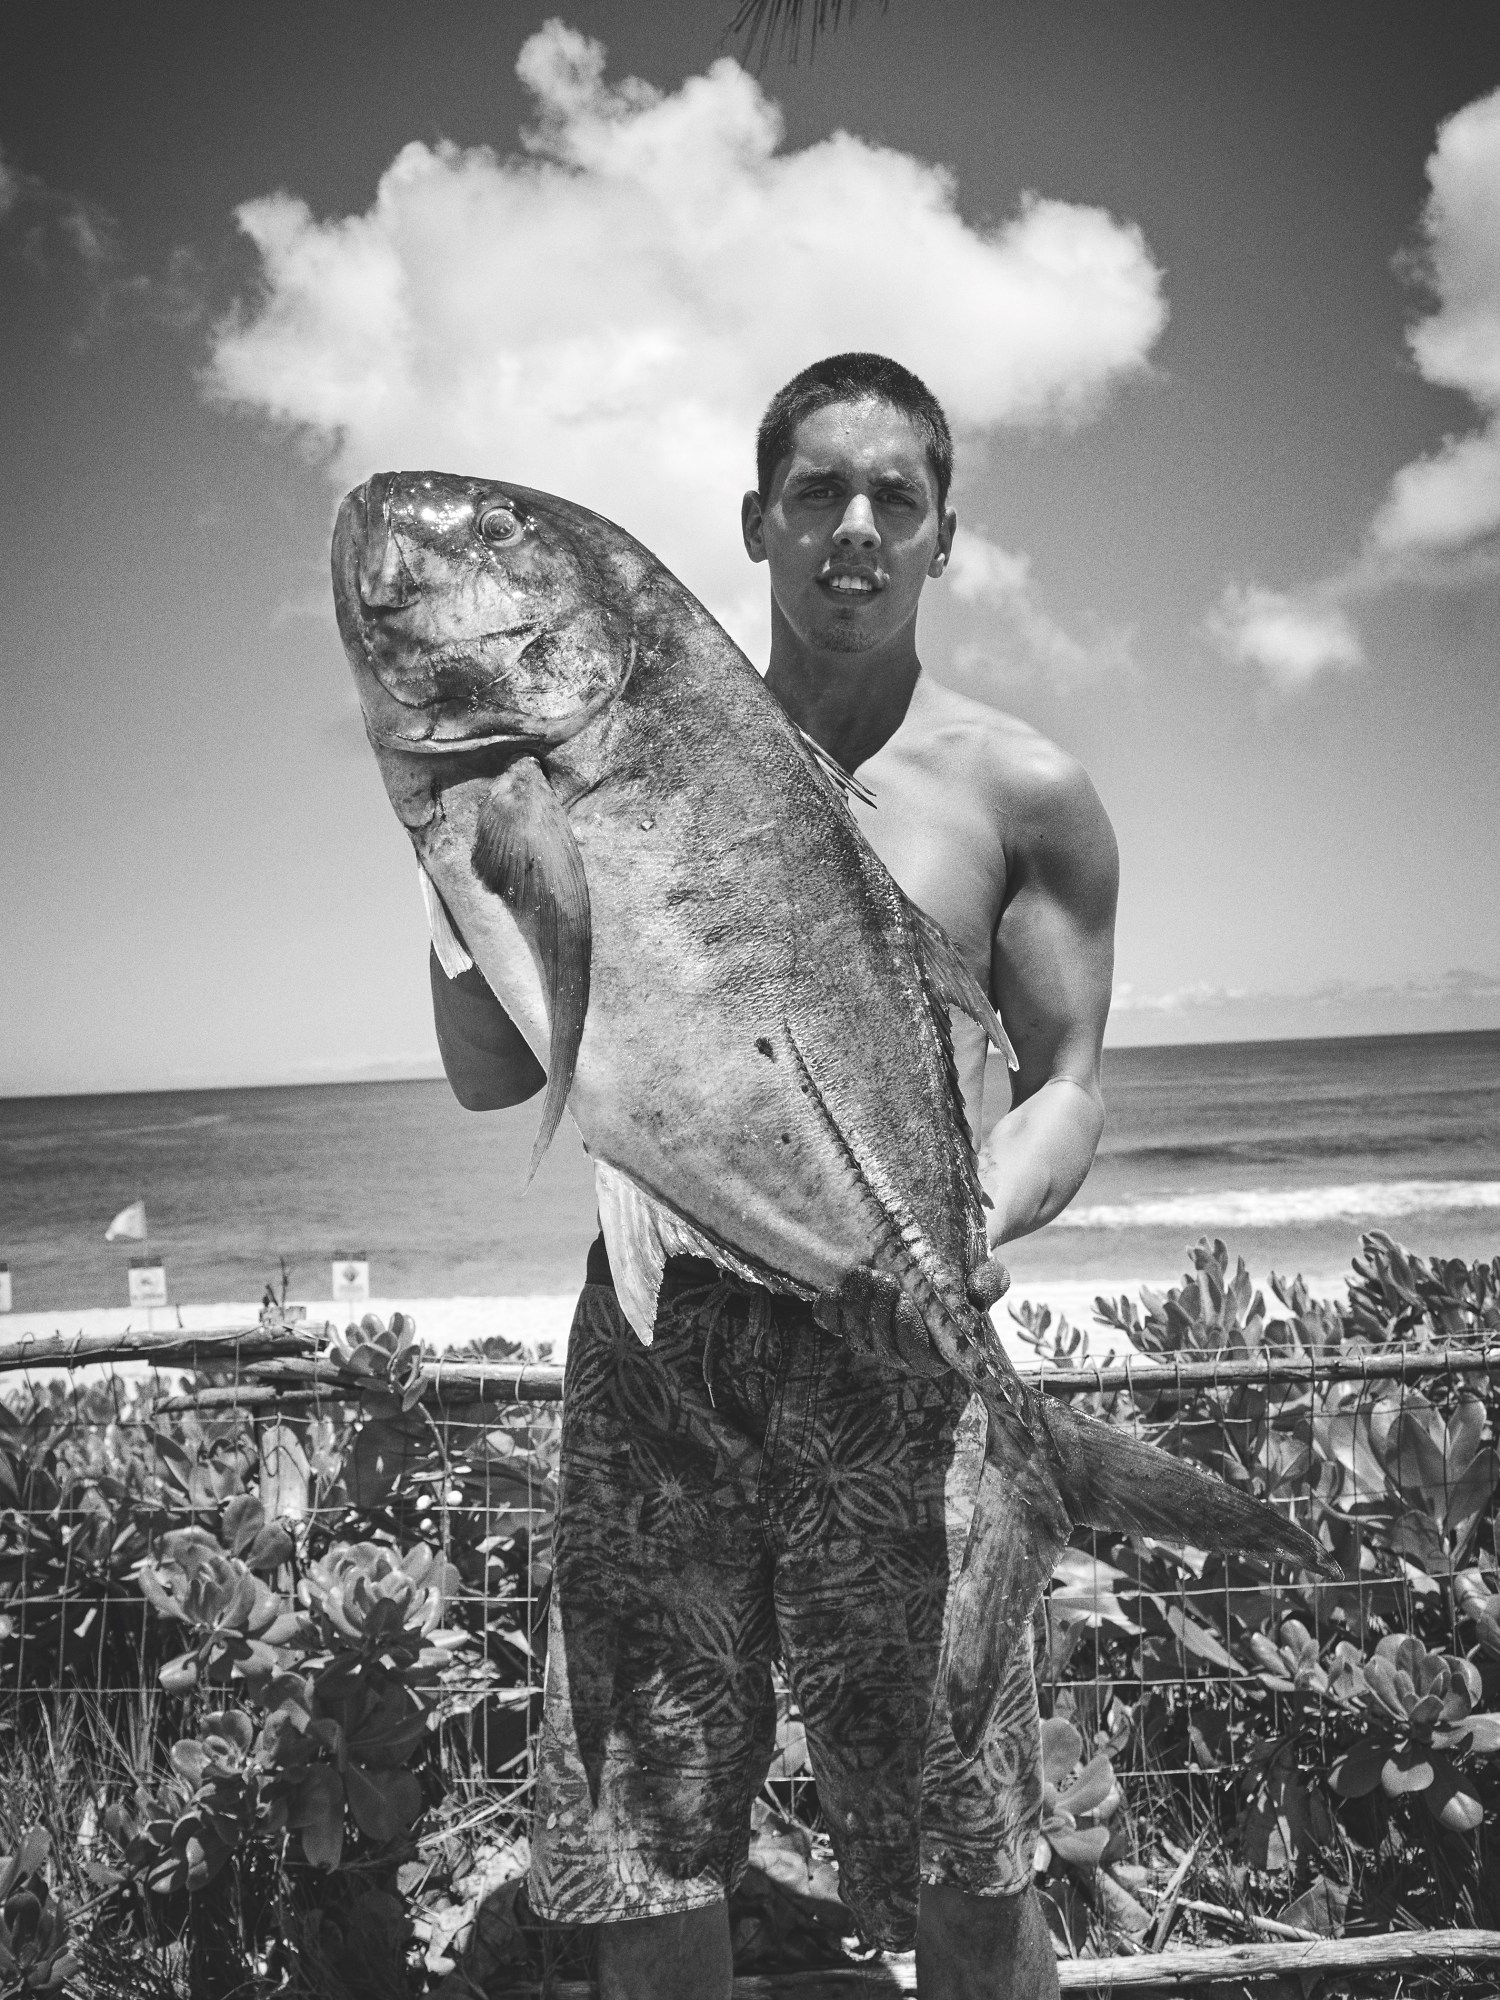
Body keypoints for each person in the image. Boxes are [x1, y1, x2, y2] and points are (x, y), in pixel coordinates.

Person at [430, 352, 1118, 2000]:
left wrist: (975, 1226)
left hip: (905, 1373)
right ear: (756, 522)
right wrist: (470, 850)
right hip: (666, 1361)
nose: (855, 527)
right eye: (818, 492)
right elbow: (491, 1072)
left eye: (897, 497)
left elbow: (1070, 1088)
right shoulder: (624, 757)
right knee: (645, 1845)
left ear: (948, 533)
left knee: (970, 1839)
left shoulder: (1023, 795)